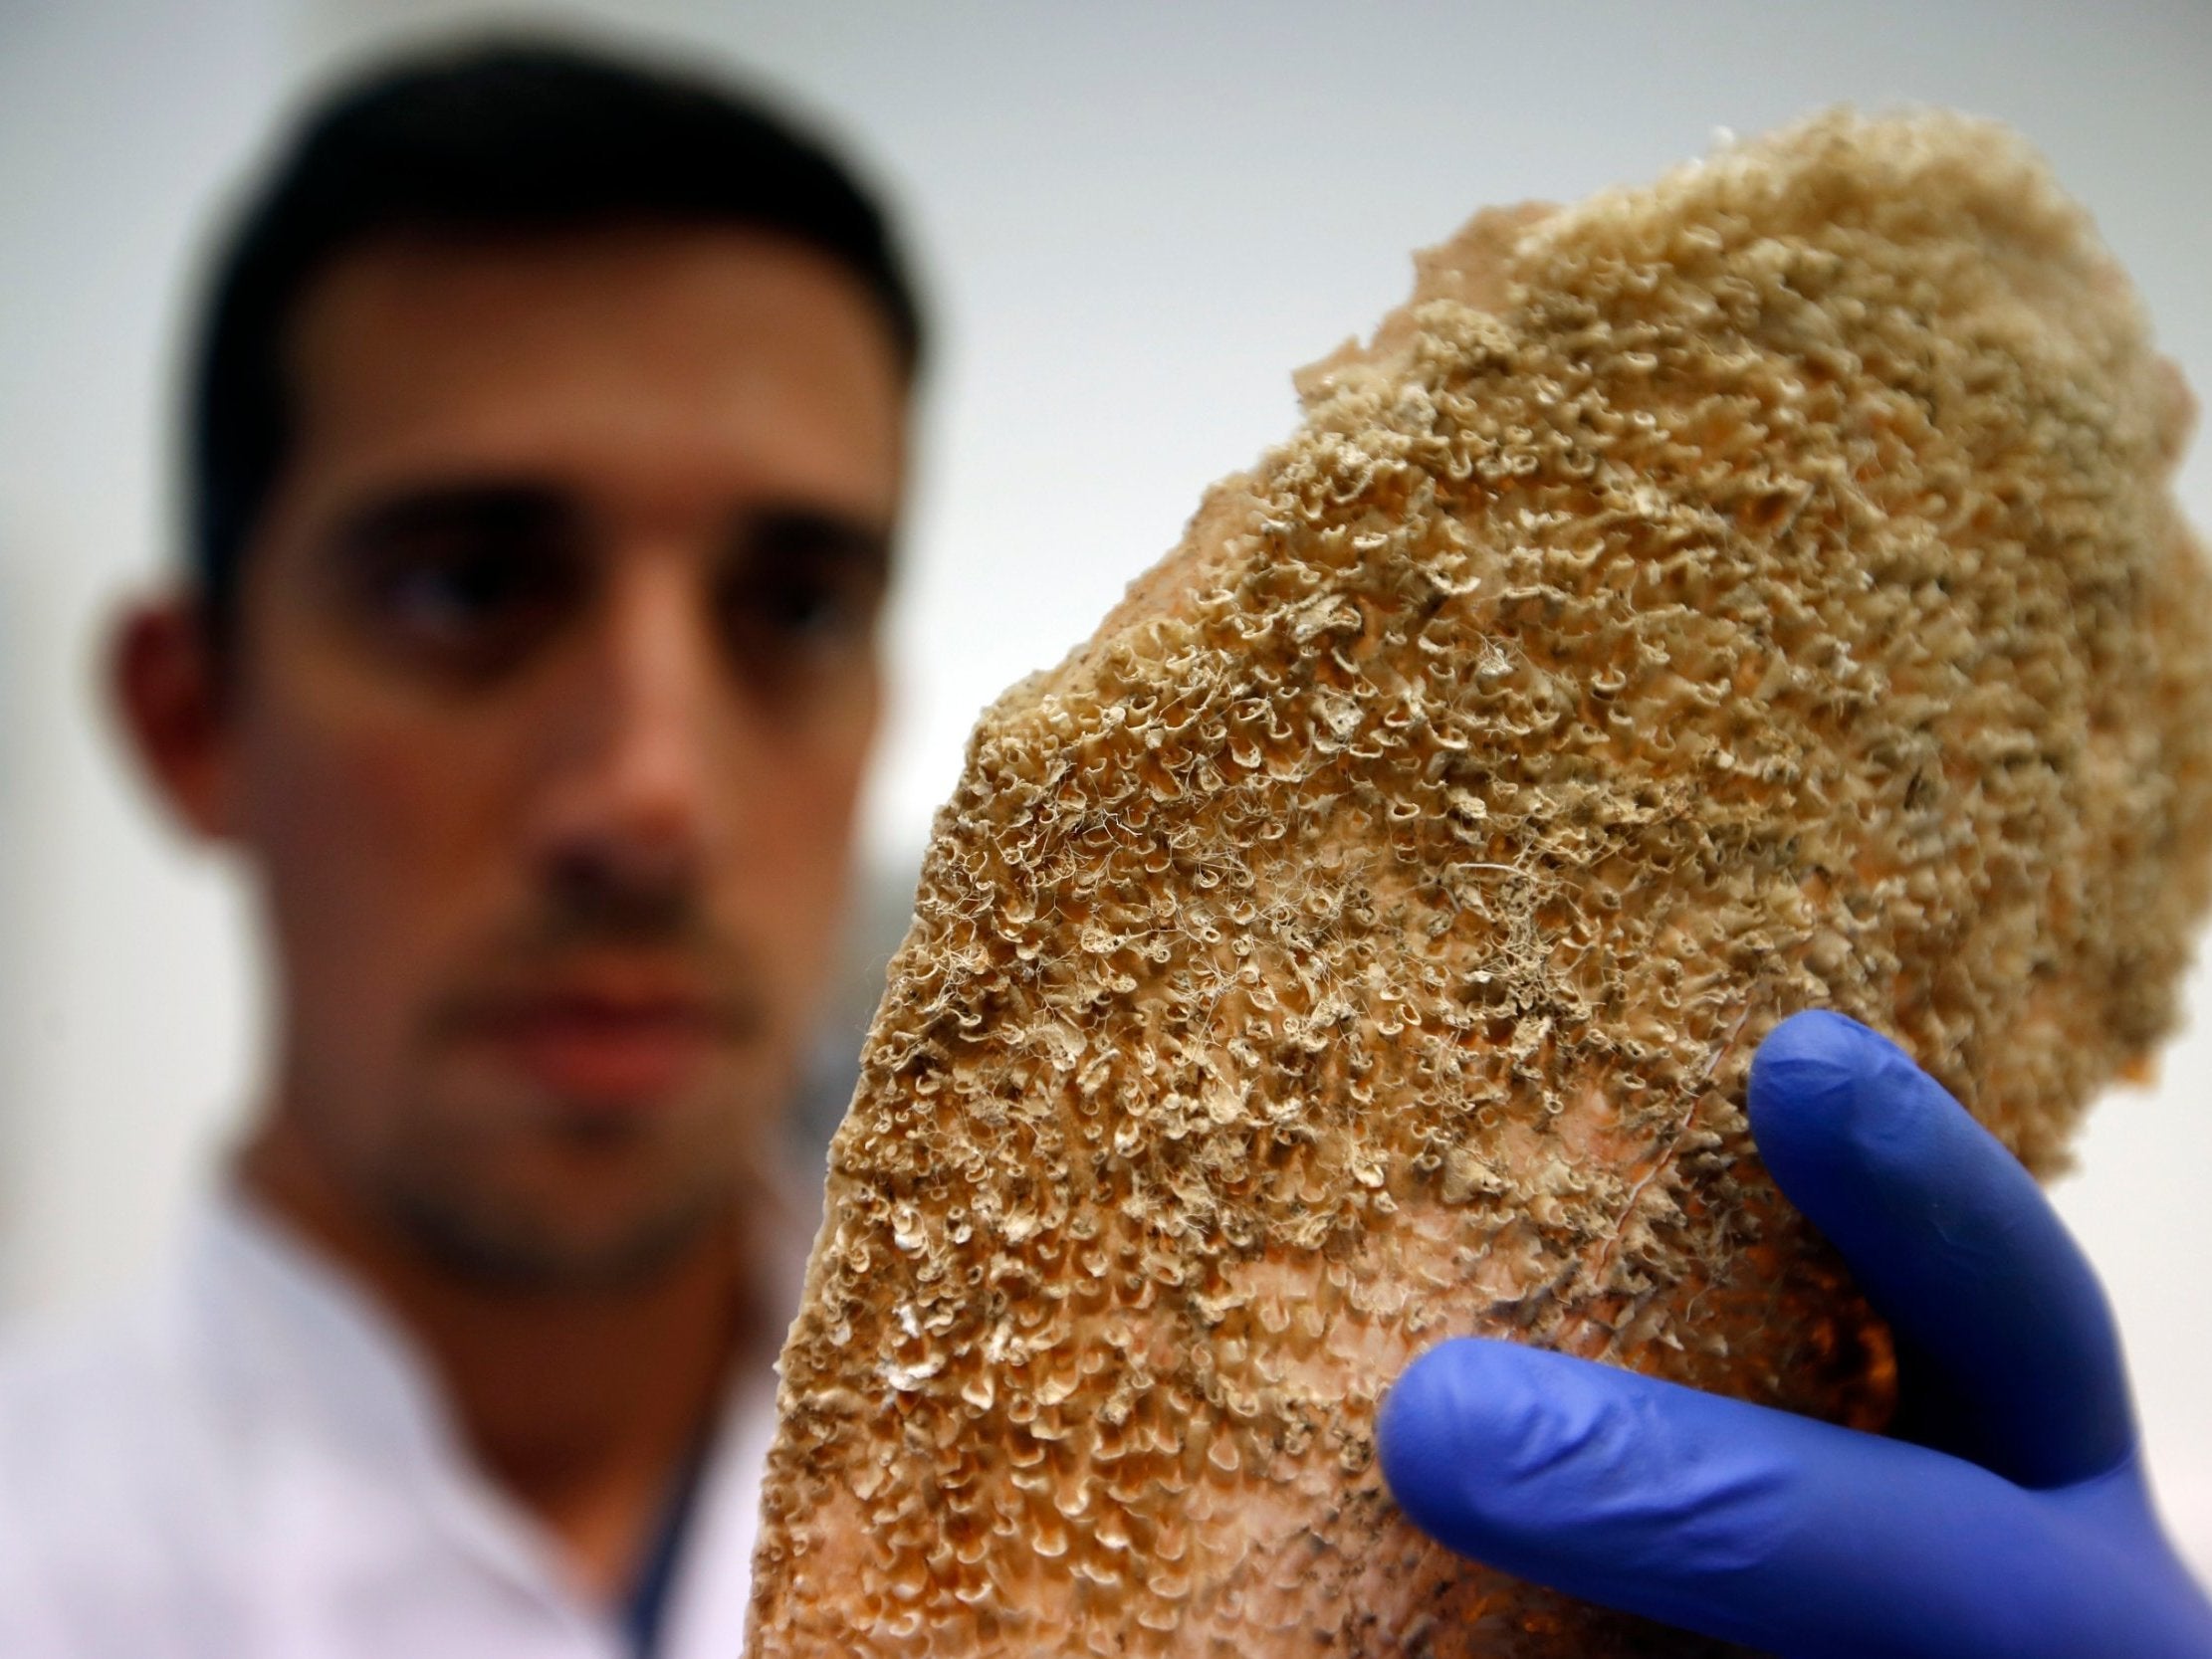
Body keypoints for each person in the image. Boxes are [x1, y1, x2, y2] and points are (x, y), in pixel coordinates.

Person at [0, 34, 2204, 1659]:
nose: (651, 793)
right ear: (193, 720)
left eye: (791, 608)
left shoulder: (1365, 1531)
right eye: (472, 588)